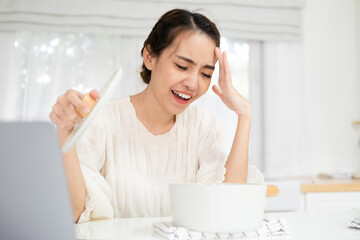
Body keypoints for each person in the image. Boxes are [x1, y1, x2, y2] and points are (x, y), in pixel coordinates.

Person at [49, 9, 252, 223]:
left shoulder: (204, 125)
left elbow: (228, 208)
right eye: (182, 66)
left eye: (205, 74)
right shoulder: (104, 120)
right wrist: (66, 132)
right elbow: (76, 212)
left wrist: (244, 114)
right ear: (150, 57)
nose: (193, 83)